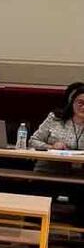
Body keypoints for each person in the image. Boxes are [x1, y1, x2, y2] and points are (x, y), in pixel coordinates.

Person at [29, 83, 84, 225]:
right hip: (47, 172)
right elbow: (33, 141)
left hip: (78, 177)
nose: (83, 106)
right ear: (72, 102)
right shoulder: (55, 118)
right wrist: (51, 146)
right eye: (80, 102)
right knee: (37, 203)